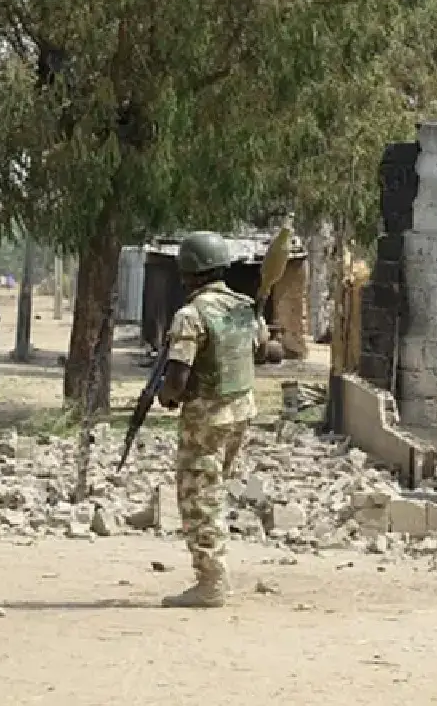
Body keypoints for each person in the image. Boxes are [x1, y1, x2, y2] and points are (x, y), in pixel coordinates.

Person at [155, 230, 278, 608]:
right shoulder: (244, 307)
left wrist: (166, 394)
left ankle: (211, 581)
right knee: (212, 490)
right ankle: (213, 573)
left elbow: (177, 376)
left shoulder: (191, 315)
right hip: (240, 411)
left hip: (206, 418)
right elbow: (264, 353)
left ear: (188, 273)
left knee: (198, 497)